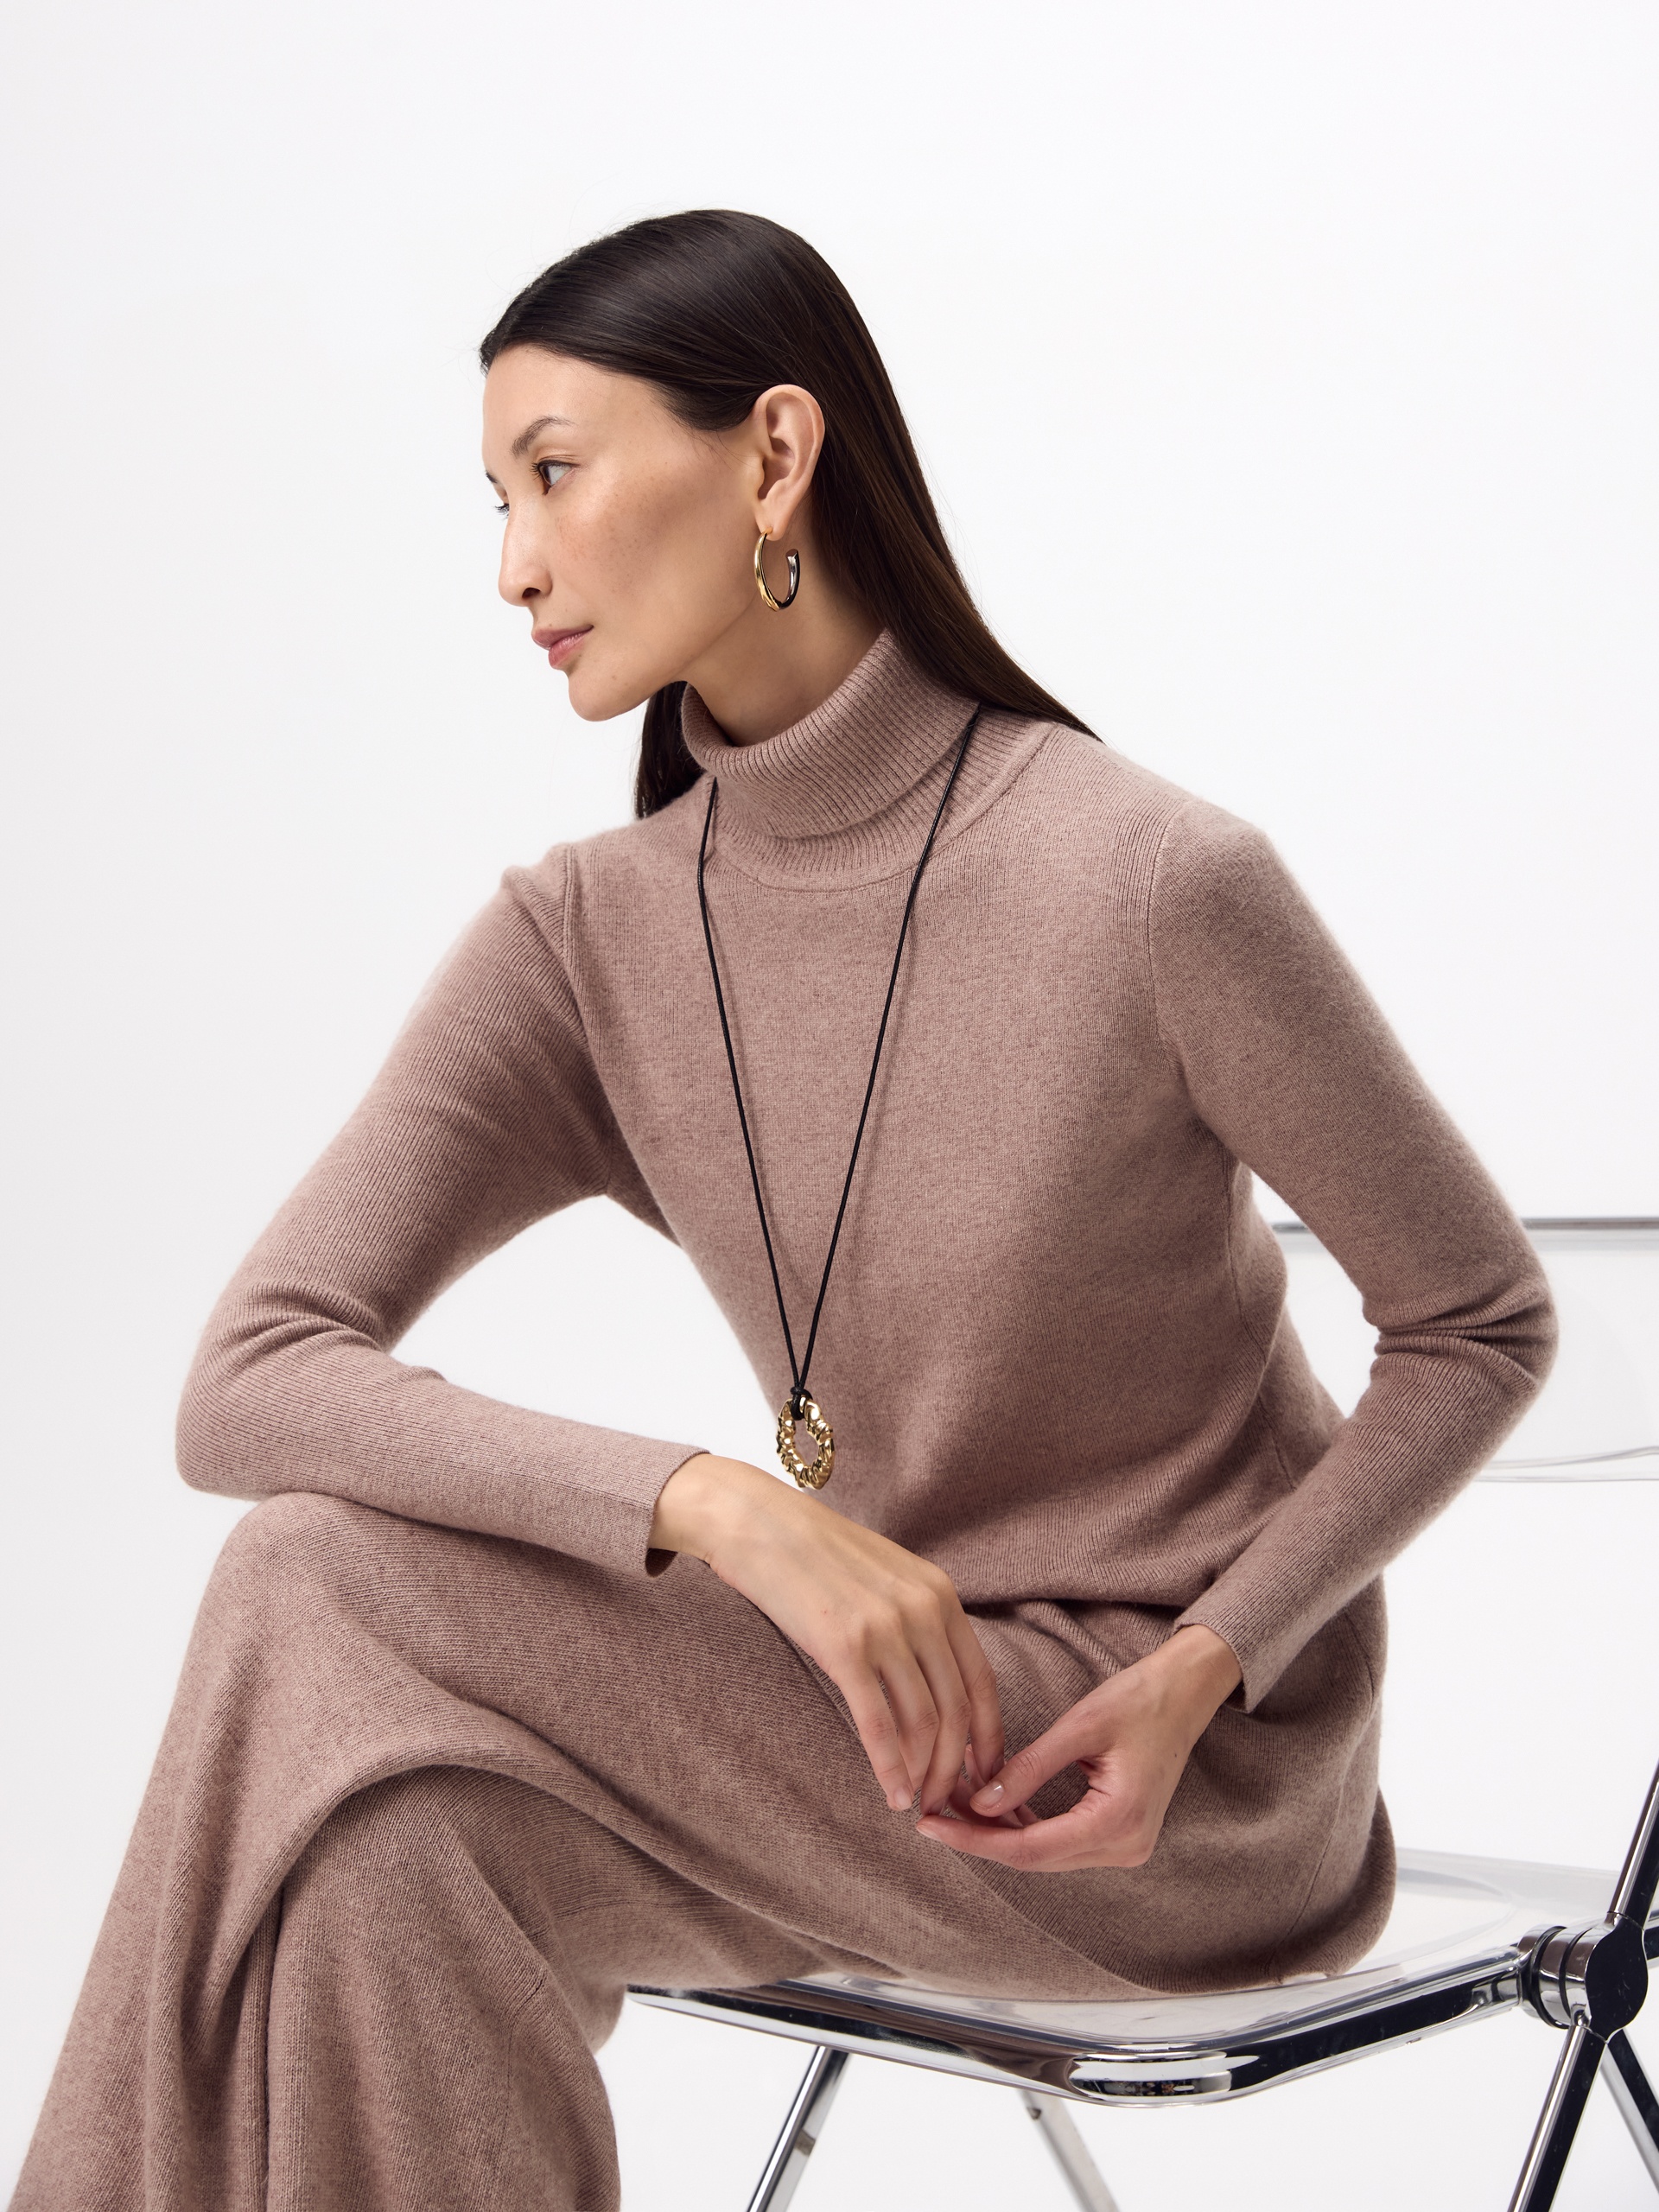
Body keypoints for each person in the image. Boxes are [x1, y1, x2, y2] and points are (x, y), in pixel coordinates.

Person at [12, 209, 1556, 2212]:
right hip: (867, 1724)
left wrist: (1212, 1660)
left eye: (554, 473)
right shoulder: (589, 940)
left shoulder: (1147, 880)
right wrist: (725, 1508)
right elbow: (250, 1377)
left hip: (1159, 1777)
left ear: (772, 456)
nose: (513, 567)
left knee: (313, 1577)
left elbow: (1477, 1320)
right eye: (495, 500)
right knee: (387, 1847)